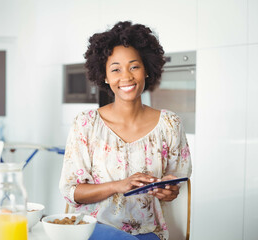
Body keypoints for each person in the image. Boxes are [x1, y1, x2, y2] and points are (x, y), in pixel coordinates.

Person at [59, 21, 192, 240]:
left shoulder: (170, 124)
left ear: (146, 70)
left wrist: (168, 192)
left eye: (134, 66)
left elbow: (175, 185)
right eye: (116, 69)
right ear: (104, 75)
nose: (126, 77)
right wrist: (119, 186)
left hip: (148, 232)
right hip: (95, 230)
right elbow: (72, 192)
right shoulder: (86, 124)